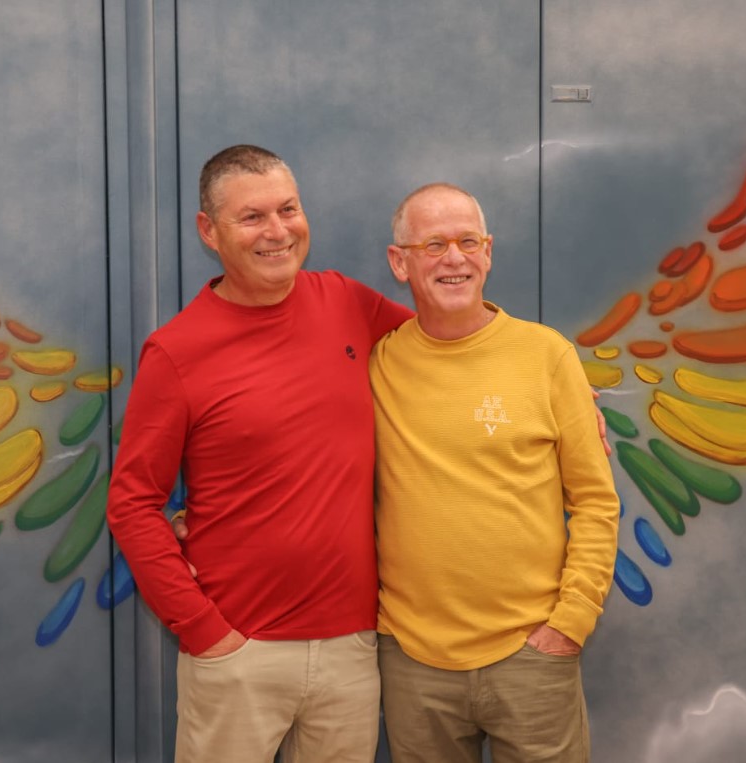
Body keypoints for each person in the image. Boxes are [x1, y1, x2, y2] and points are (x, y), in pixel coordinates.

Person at [106, 145, 413, 763]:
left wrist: (548, 385)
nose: (278, 231)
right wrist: (204, 632)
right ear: (208, 231)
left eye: (288, 209)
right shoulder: (176, 351)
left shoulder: (348, 302)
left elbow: (453, 352)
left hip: (352, 648)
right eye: (252, 217)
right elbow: (132, 503)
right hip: (237, 652)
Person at [369, 183, 620, 763]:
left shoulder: (547, 356)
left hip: (533, 655)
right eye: (434, 245)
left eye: (468, 241)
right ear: (399, 263)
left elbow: (595, 501)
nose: (454, 258)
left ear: (488, 252)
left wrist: (570, 623)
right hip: (413, 662)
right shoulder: (377, 361)